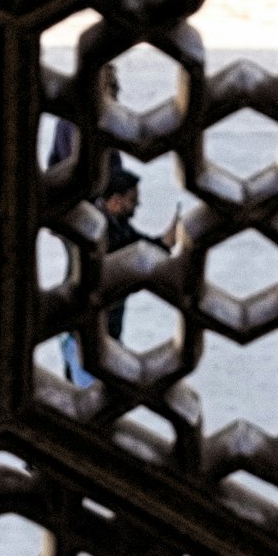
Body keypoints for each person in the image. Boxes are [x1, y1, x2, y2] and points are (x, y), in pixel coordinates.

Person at [56, 163, 172, 391]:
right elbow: (137, 252)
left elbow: (145, 247)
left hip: (94, 335)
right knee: (93, 402)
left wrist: (165, 242)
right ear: (116, 201)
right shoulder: (100, 233)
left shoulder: (115, 226)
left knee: (82, 402)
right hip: (85, 338)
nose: (137, 207)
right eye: (133, 201)